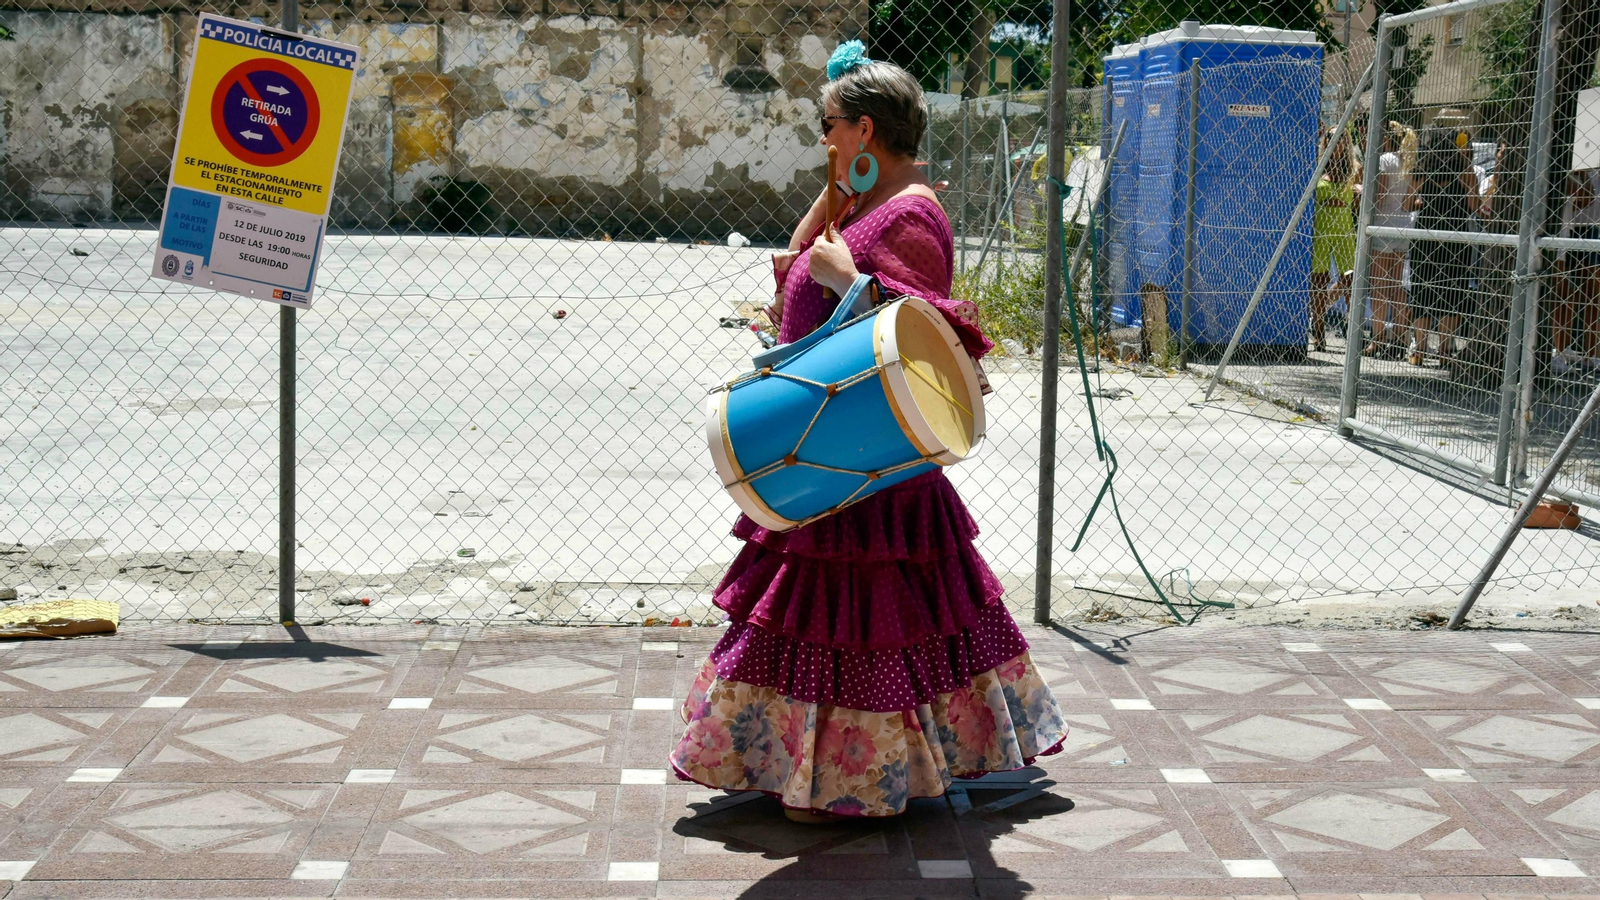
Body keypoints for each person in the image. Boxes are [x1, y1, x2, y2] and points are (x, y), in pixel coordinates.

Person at [670, 41, 1068, 822]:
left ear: (863, 129)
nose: (821, 141)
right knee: (836, 619)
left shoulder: (913, 212)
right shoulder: (865, 202)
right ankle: (817, 768)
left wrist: (850, 281)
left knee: (861, 624)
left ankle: (848, 781)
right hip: (838, 454)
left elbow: (925, 326)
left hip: (870, 458)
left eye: (829, 127)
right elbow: (792, 266)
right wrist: (832, 196)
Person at [1407, 130, 1478, 367]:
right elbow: (1473, 205)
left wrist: (1421, 201)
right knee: (1452, 290)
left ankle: (1420, 347)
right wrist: (1466, 161)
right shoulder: (1464, 172)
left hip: (1425, 237)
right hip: (1454, 238)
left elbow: (1408, 204)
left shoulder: (1422, 171)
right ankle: (1446, 349)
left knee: (1422, 291)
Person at [1364, 121, 1417, 358]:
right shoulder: (1409, 163)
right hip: (1403, 225)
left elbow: (1381, 194)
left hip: (1383, 224)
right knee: (1396, 286)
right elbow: (1408, 202)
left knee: (1379, 286)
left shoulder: (1385, 160)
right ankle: (1398, 336)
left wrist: (1363, 191)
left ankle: (1376, 339)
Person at [1550, 168, 1600, 376]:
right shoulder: (1564, 167)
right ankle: (1558, 350)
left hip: (1588, 227)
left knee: (1592, 293)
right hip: (1562, 226)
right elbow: (1584, 197)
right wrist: (1581, 171)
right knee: (1561, 292)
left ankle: (1592, 354)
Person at [1311, 131, 1357, 353]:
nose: (1336, 141)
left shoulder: (1354, 168)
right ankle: (1318, 332)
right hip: (1321, 226)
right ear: (1325, 141)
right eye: (1331, 137)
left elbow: (1358, 206)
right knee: (1318, 280)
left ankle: (1352, 327)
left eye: (1341, 137)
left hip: (1344, 227)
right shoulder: (1316, 166)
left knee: (1350, 278)